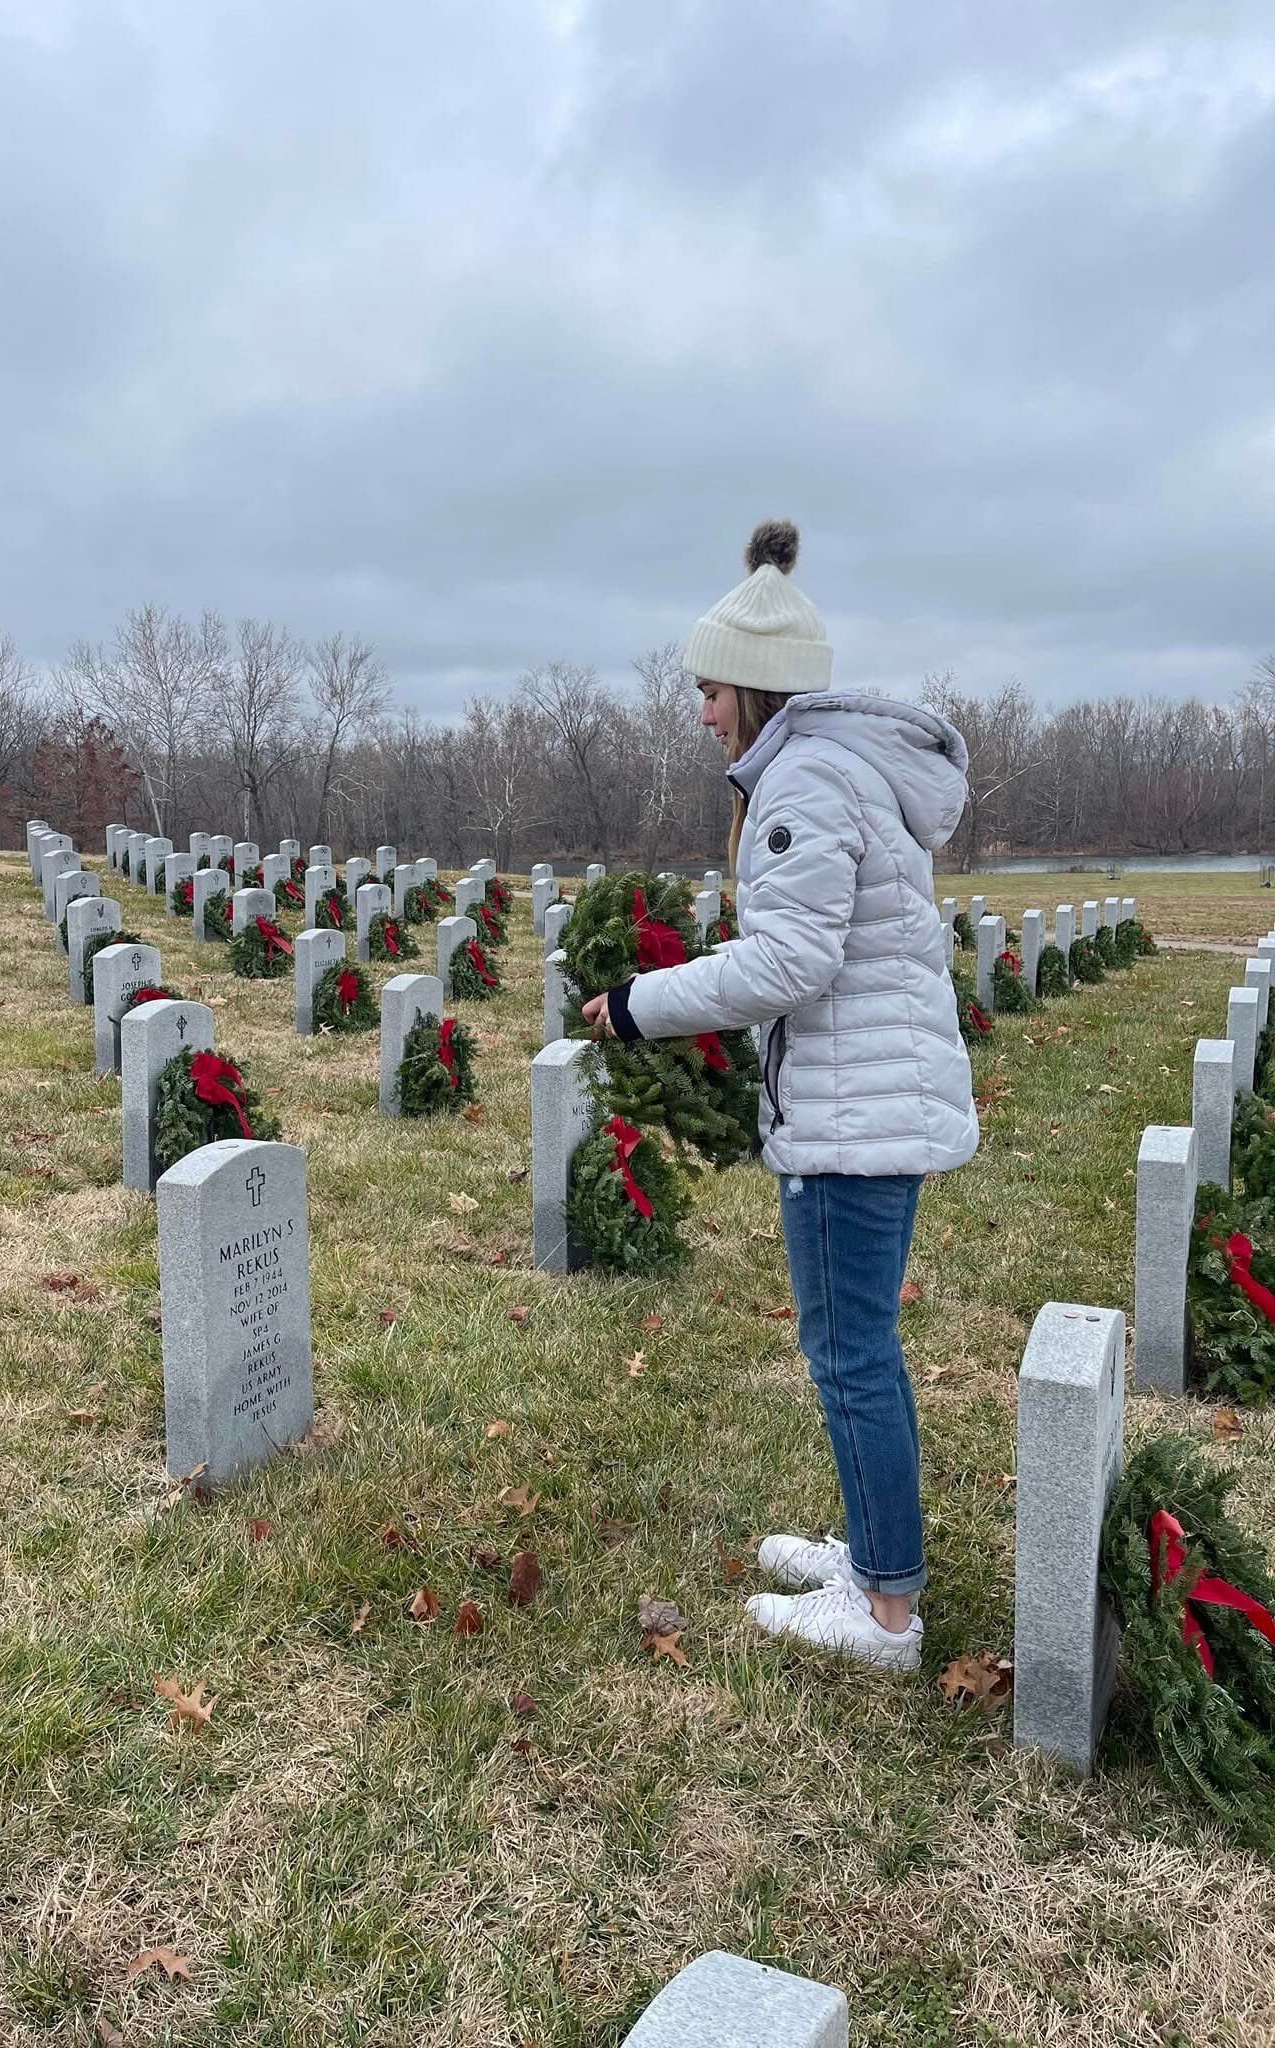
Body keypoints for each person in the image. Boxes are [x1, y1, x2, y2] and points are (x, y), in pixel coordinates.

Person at [583, 519, 978, 1673]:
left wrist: (641, 1000)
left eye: (709, 690)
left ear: (752, 689)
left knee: (853, 1350)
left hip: (855, 1117)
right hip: (855, 1099)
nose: (702, 711)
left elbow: (790, 962)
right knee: (851, 1343)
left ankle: (887, 1613)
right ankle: (870, 1555)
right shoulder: (826, 769)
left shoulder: (806, 775)